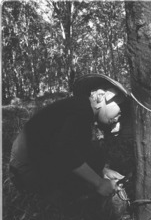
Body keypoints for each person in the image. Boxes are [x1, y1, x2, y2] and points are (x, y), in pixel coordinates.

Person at [9, 73, 130, 205]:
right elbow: (65, 151)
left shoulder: (79, 110)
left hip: (28, 167)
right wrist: (99, 183)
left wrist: (102, 171)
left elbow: (77, 149)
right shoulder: (82, 110)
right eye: (120, 108)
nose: (120, 115)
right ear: (101, 96)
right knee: (82, 196)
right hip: (29, 171)